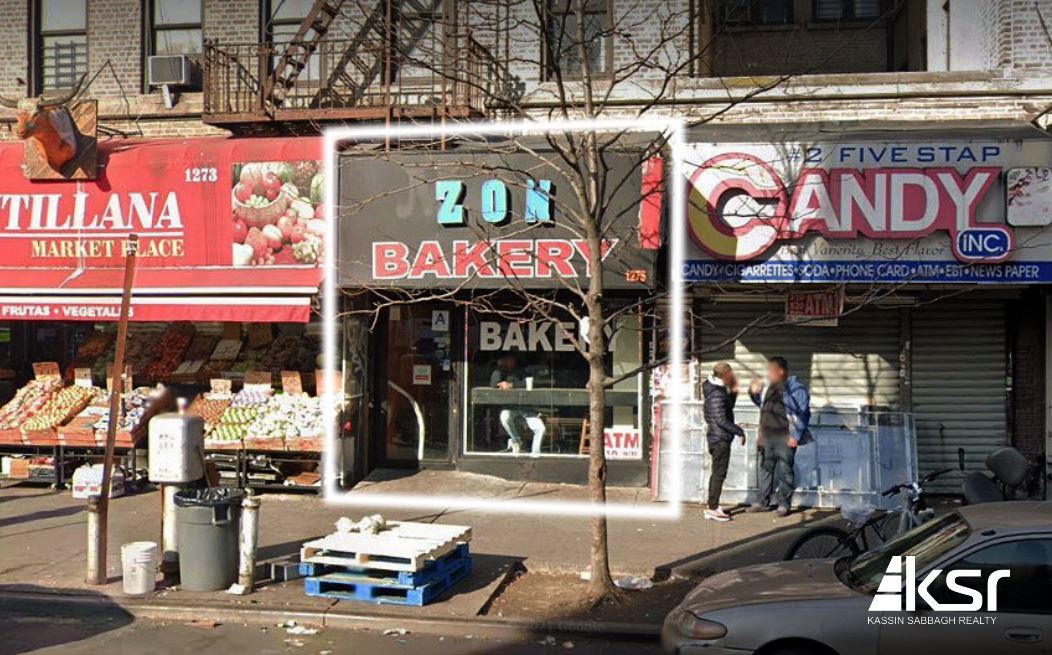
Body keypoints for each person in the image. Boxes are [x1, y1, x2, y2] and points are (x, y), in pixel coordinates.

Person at [747, 356, 812, 517]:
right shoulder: (770, 388)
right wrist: (753, 393)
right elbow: (762, 407)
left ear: (781, 371)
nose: (768, 374)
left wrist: (795, 436)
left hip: (785, 437)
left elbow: (804, 414)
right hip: (768, 437)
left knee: (785, 471)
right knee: (765, 469)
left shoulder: (796, 389)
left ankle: (784, 504)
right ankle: (762, 502)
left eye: (771, 370)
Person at [701, 362, 746, 522]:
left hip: (718, 437)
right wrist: (738, 431)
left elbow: (726, 409)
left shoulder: (717, 390)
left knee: (718, 473)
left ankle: (713, 506)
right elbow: (721, 419)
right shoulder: (717, 393)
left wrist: (733, 393)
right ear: (725, 375)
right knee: (719, 474)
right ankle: (712, 508)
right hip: (719, 439)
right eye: (731, 374)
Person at [490, 354, 545, 456]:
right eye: (505, 359)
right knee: (504, 416)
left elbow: (529, 383)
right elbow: (494, 384)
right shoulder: (499, 372)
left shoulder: (521, 371)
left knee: (540, 428)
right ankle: (516, 441)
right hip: (511, 408)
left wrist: (511, 385)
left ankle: (535, 454)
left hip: (527, 409)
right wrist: (500, 368)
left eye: (509, 359)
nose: (507, 361)